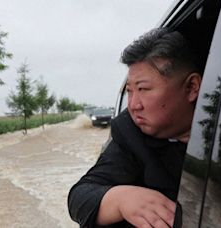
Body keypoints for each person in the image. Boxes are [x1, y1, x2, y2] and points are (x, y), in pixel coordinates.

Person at [67, 27, 202, 227]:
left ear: (191, 88)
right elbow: (80, 196)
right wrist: (120, 199)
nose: (133, 105)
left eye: (143, 89)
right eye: (130, 91)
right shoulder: (129, 132)